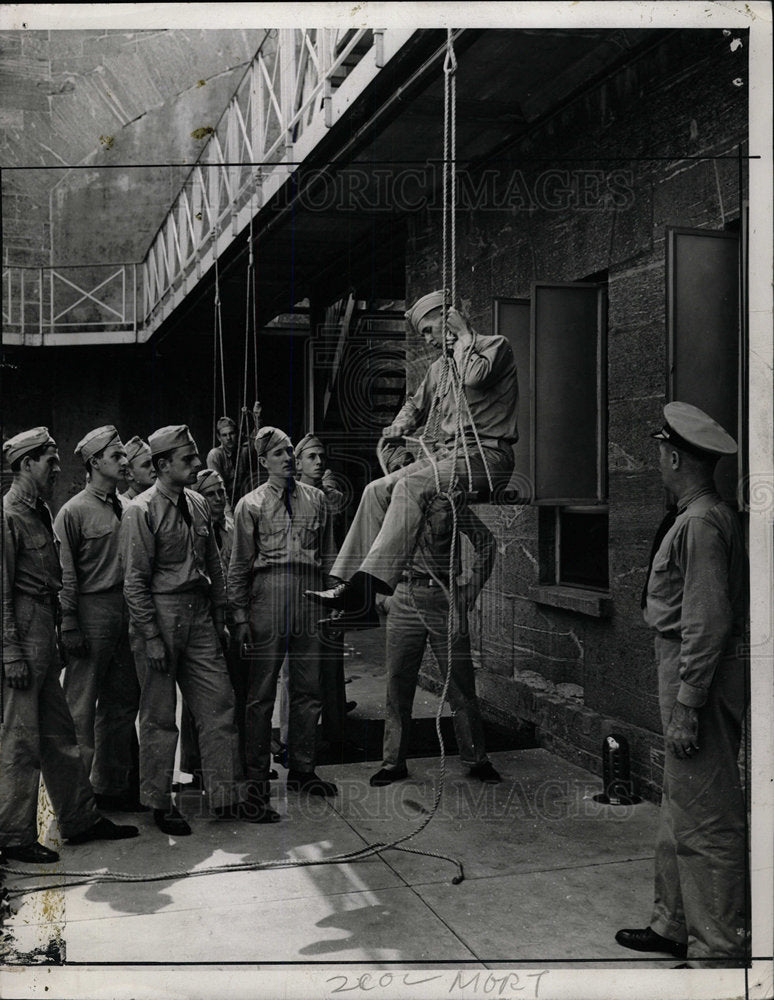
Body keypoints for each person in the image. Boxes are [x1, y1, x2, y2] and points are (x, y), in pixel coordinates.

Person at [615, 402, 749, 968]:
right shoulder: (706, 513)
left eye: (659, 456)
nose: (657, 465)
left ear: (673, 456)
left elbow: (706, 622)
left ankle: (718, 949)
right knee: (681, 805)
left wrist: (688, 705)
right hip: (684, 664)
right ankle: (674, 924)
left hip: (696, 672)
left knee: (707, 818)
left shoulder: (697, 523)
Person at [306, 290, 518, 629]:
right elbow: (415, 405)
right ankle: (353, 594)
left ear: (448, 320)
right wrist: (402, 423)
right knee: (376, 489)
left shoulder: (495, 346)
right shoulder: (438, 370)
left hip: (487, 458)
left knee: (409, 485)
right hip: (447, 459)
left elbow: (476, 377)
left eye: (429, 332)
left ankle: (368, 586)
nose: (429, 341)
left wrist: (464, 336)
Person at [1, 428, 138, 864]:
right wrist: (10, 651)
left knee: (60, 736)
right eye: (49, 461)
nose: (58, 469)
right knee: (20, 739)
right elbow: (2, 591)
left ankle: (79, 819)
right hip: (22, 627)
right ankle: (13, 835)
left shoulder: (37, 510)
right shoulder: (8, 516)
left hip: (41, 623)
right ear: (26, 464)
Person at [119, 425, 246, 836]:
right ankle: (159, 802)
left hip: (198, 615)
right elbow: (134, 581)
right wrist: (152, 636)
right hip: (159, 614)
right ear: (161, 465)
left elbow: (214, 565)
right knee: (158, 716)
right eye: (187, 459)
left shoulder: (197, 503)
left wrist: (220, 616)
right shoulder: (141, 511)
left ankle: (225, 795)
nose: (196, 464)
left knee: (219, 704)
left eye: (194, 457)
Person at [369, 441, 501, 787]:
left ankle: (476, 757)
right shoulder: (391, 510)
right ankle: (393, 762)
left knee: (460, 683)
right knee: (398, 683)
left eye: (412, 464)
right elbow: (374, 555)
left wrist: (470, 590)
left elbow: (487, 542)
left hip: (443, 597)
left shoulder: (451, 502)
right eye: (399, 466)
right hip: (406, 597)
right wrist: (384, 596)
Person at [229, 426, 337, 811]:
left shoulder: (319, 500)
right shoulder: (250, 504)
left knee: (309, 688)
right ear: (263, 462)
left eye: (290, 451)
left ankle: (303, 769)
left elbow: (329, 557)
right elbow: (239, 565)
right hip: (268, 596)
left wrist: (331, 600)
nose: (288, 458)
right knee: (261, 694)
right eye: (279, 453)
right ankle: (257, 776)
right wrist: (240, 614)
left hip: (309, 596)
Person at [53, 425, 143, 811]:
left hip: (127, 611)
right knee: (80, 709)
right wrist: (69, 622)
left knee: (122, 704)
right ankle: (75, 804)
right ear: (94, 463)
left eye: (125, 456)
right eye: (117, 456)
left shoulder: (128, 507)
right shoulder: (73, 511)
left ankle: (112, 788)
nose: (125, 463)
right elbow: (65, 574)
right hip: (91, 612)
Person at [178, 468, 250, 783]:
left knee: (234, 691)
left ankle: (237, 763)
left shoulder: (234, 528)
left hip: (234, 616)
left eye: (222, 492)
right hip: (203, 616)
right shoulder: (194, 529)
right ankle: (194, 766)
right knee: (200, 699)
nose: (219, 499)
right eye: (212, 493)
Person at [206, 401, 262, 507]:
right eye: (224, 435)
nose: (228, 438)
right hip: (222, 504)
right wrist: (228, 513)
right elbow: (218, 487)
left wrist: (257, 418)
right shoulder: (215, 455)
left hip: (242, 502)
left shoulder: (243, 451)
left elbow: (256, 440)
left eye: (231, 433)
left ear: (237, 434)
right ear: (219, 437)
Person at [122, 435, 156, 500]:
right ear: (129, 474)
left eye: (154, 462)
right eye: (146, 465)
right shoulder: (122, 506)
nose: (154, 469)